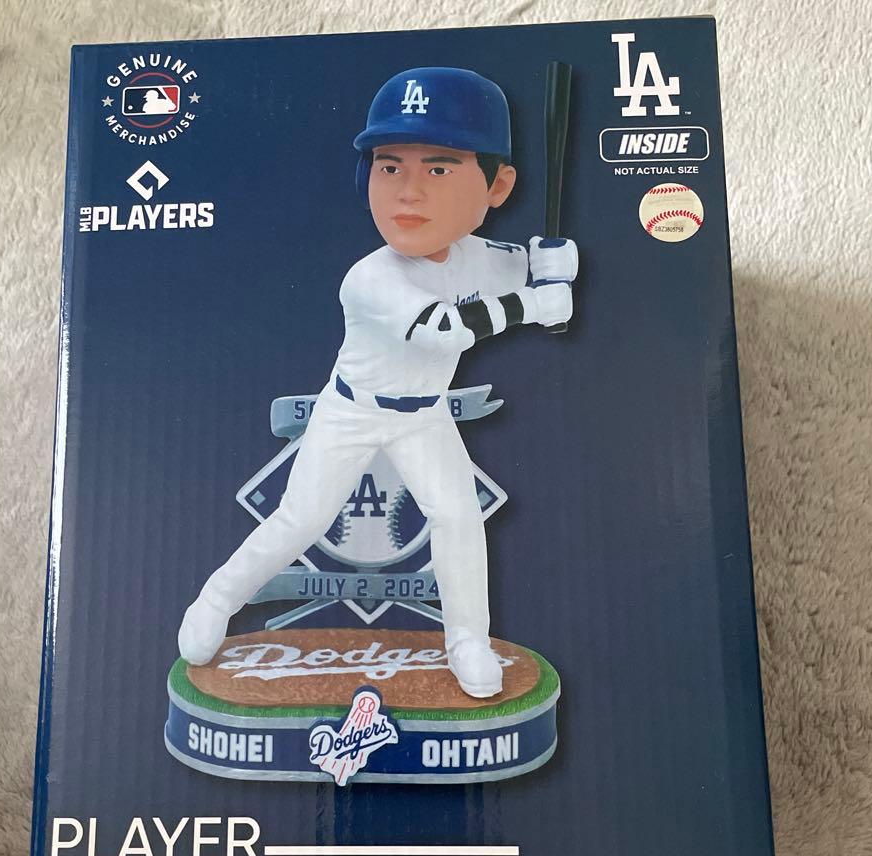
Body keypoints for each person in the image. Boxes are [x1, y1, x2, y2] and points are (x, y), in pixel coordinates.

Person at [179, 67, 578, 697]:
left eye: (439, 169)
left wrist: (552, 265)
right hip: (351, 412)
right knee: (300, 520)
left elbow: (524, 271)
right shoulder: (371, 278)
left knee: (458, 518)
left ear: (497, 185)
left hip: (424, 416)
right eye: (390, 167)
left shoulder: (484, 258)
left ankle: (468, 642)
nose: (408, 192)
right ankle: (216, 600)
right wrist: (535, 303)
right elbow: (444, 329)